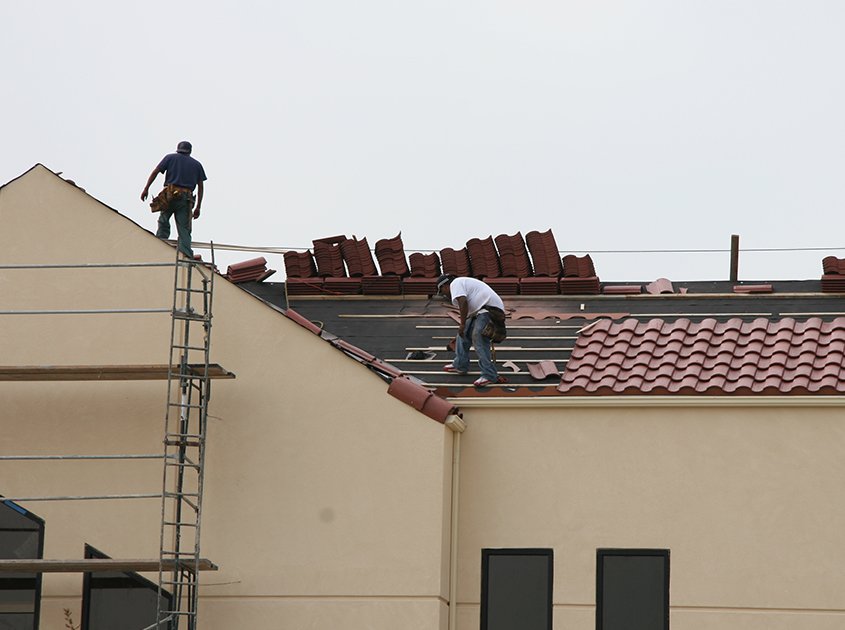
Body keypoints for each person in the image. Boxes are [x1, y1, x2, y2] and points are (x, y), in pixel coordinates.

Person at [437, 274, 506, 387]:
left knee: (479, 338)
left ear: (445, 285)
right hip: (480, 311)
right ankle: (460, 364)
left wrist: (463, 324)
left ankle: (489, 375)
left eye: (442, 291)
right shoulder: (464, 285)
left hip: (489, 309)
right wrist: (463, 328)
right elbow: (467, 310)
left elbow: (463, 302)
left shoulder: (456, 283)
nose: (444, 294)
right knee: (462, 335)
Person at [141, 141, 207, 258]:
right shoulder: (197, 164)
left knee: (163, 220)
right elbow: (201, 187)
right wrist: (198, 207)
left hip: (170, 196)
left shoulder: (170, 158)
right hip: (185, 200)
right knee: (184, 230)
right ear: (190, 151)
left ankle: (159, 245)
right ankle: (186, 257)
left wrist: (146, 188)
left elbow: (155, 172)